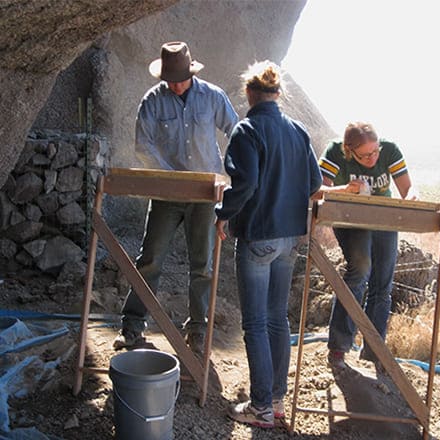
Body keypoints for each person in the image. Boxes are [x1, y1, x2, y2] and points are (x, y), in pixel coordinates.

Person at [215, 60, 322, 428]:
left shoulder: (247, 130)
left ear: (249, 93)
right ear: (278, 94)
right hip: (290, 238)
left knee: (256, 323)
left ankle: (260, 408)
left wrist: (222, 213)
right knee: (279, 319)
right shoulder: (298, 130)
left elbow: (244, 185)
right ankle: (275, 402)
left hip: (258, 236)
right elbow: (314, 184)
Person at [113, 41, 239, 354]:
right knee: (150, 258)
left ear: (191, 73)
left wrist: (230, 174)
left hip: (205, 195)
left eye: (180, 79)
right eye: (170, 81)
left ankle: (197, 329)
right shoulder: (152, 100)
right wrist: (172, 178)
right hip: (166, 194)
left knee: (202, 265)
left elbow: (236, 131)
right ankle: (132, 326)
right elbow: (144, 145)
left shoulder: (212, 96)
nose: (176, 85)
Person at [317, 121, 418, 368]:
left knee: (383, 283)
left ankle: (374, 352)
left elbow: (407, 187)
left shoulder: (390, 150)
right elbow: (317, 189)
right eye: (364, 155)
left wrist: (413, 196)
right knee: (360, 270)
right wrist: (346, 189)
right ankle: (339, 347)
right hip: (350, 220)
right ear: (350, 151)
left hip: (383, 219)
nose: (372, 158)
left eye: (375, 152)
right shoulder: (334, 152)